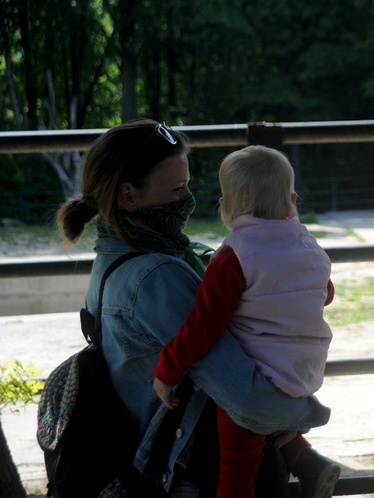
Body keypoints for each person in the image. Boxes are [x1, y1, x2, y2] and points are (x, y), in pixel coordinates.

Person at [55, 119, 334, 497]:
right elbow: (253, 404)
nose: (189, 198)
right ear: (129, 197)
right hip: (193, 472)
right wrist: (305, 414)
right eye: (178, 188)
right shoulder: (157, 278)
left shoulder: (122, 256)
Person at [152, 145, 340, 498]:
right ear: (293, 200)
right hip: (303, 374)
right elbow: (324, 294)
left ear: (226, 207)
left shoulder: (233, 256)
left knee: (236, 467)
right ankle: (306, 459)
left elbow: (202, 325)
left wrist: (167, 371)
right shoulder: (311, 246)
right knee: (270, 421)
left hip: (258, 383)